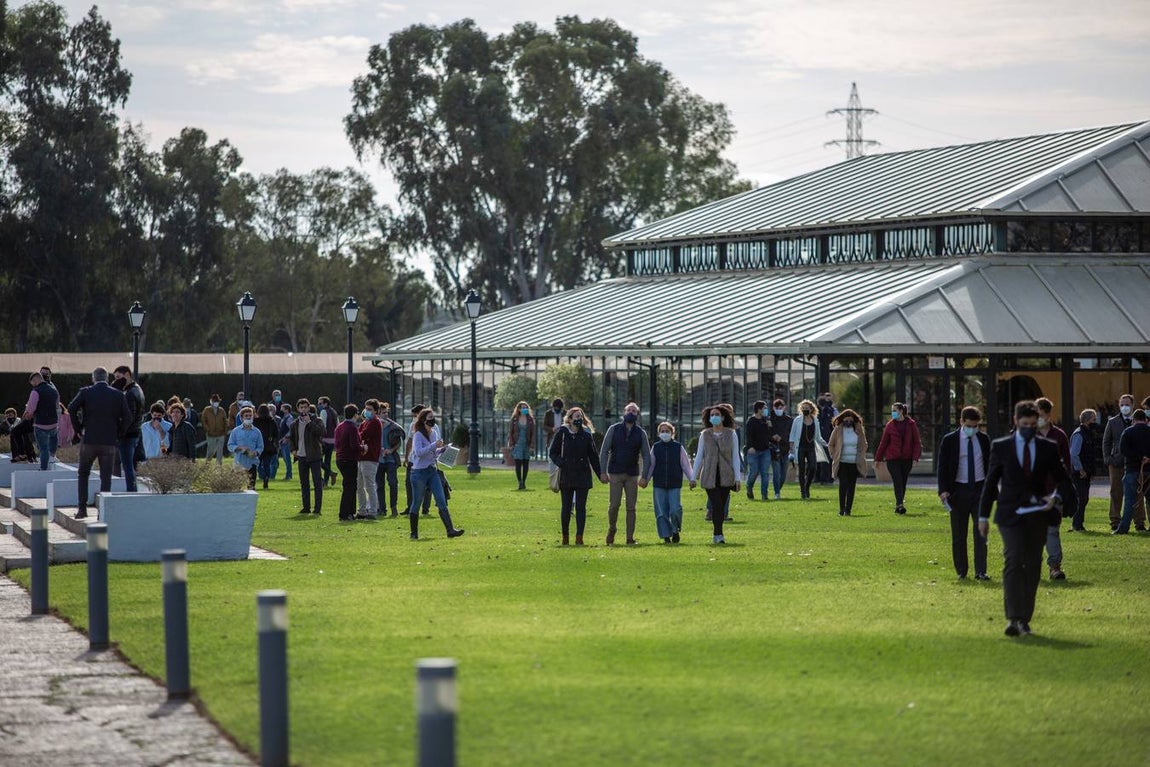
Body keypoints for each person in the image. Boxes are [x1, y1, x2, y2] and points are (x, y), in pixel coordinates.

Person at [979, 400, 1075, 637]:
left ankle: (1024, 619)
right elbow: (990, 482)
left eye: (1033, 424)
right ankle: (1013, 618)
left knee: (1032, 565)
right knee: (1013, 559)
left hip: (1037, 514)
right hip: (1010, 514)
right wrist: (983, 516)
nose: (1029, 428)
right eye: (1025, 424)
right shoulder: (1002, 447)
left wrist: (1056, 498)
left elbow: (1064, 479)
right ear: (1016, 421)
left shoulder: (1047, 447)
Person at [67, 368, 132, 519]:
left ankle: (82, 509)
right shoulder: (118, 395)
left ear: (93, 378)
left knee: (83, 474)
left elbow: (71, 408)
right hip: (109, 442)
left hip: (89, 439)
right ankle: (102, 512)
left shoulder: (86, 392)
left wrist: (78, 428)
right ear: (107, 378)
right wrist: (119, 433)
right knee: (106, 477)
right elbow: (128, 417)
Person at [936, 407, 991, 580]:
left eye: (975, 426)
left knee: (980, 532)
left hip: (979, 490)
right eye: (969, 426)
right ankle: (962, 571)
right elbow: (942, 467)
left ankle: (981, 571)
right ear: (961, 422)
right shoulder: (949, 440)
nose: (972, 429)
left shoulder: (984, 439)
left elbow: (990, 464)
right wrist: (943, 490)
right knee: (959, 534)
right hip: (958, 491)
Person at [598, 401, 653, 545]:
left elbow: (646, 455)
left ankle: (629, 537)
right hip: (615, 473)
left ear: (637, 415)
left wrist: (645, 477)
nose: (631, 413)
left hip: (632, 474)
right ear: (624, 412)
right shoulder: (613, 429)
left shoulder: (641, 433)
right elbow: (604, 451)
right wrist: (602, 472)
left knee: (631, 507)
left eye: (634, 411)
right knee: (614, 505)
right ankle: (612, 528)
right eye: (629, 410)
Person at [407, 408, 465, 540]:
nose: (432, 420)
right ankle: (413, 533)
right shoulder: (418, 435)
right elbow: (418, 452)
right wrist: (434, 445)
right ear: (423, 420)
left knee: (441, 500)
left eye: (433, 417)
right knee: (417, 502)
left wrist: (442, 449)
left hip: (432, 471)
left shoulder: (433, 433)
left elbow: (433, 453)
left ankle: (450, 530)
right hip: (419, 473)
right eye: (430, 418)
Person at [549, 407, 602, 545]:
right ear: (570, 419)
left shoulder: (586, 435)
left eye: (581, 416)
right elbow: (553, 452)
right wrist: (561, 463)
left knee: (581, 508)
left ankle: (579, 537)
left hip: (582, 475)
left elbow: (593, 457)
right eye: (576, 416)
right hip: (566, 475)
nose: (579, 418)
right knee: (566, 508)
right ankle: (565, 536)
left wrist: (600, 475)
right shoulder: (562, 433)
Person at [692, 403, 741, 544]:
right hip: (709, 475)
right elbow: (699, 456)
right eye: (712, 415)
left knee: (721, 505)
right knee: (716, 504)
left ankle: (718, 533)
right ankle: (718, 534)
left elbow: (735, 457)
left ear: (723, 417)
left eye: (717, 415)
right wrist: (693, 477)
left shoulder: (731, 434)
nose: (714, 417)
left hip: (726, 475)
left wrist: (737, 478)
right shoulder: (705, 435)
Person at [1035, 397, 1070, 580]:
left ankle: (1055, 567)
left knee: (1052, 529)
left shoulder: (1059, 436)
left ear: (1048, 415)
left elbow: (1066, 465)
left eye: (1040, 414)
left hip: (1053, 490)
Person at [1102, 394, 1143, 531]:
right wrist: (1108, 459)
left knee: (1138, 492)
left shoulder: (1140, 421)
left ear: (1133, 405)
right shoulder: (1112, 422)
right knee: (1116, 491)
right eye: (1122, 405)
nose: (1124, 407)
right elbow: (1106, 442)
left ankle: (1139, 522)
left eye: (1127, 404)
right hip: (1116, 462)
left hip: (1135, 463)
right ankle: (1115, 520)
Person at [650, 421, 694, 543]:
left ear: (672, 433)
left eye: (667, 431)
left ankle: (675, 530)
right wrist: (645, 479)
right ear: (659, 433)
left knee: (675, 509)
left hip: (674, 483)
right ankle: (665, 535)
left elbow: (685, 465)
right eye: (662, 431)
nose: (665, 433)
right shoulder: (656, 447)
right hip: (659, 483)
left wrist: (691, 478)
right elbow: (651, 465)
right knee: (661, 512)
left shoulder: (678, 447)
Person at [875, 402, 921, 514]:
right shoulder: (890, 425)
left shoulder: (911, 424)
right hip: (892, 458)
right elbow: (884, 443)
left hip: (907, 459)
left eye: (894, 410)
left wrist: (915, 458)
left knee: (903, 481)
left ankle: (899, 504)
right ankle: (900, 504)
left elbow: (917, 442)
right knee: (897, 480)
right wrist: (878, 458)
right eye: (892, 411)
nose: (893, 413)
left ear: (901, 411)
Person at [1114, 408, 1150, 535]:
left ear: (1133, 420)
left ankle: (1123, 528)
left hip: (1132, 470)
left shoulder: (1128, 432)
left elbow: (1123, 450)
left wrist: (1139, 458)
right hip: (1148, 471)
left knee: (1129, 500)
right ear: (1146, 420)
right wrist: (1147, 458)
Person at [828, 408, 869, 517]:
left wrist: (861, 455)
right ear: (842, 419)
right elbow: (831, 444)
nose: (848, 422)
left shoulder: (859, 429)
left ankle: (848, 510)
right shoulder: (838, 429)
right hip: (842, 462)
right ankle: (841, 509)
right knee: (843, 485)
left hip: (854, 463)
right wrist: (834, 455)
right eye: (846, 420)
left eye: (850, 420)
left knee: (851, 486)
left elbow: (864, 444)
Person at [111, 365, 145, 492]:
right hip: (134, 433)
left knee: (127, 466)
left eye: (118, 377)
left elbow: (129, 417)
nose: (117, 381)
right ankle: (132, 490)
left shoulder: (130, 393)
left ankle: (131, 492)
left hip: (128, 435)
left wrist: (120, 433)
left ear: (127, 375)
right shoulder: (137, 389)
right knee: (129, 465)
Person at [290, 399, 325, 515]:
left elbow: (321, 432)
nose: (303, 409)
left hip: (314, 456)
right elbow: (292, 438)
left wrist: (309, 422)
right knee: (304, 483)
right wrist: (293, 449)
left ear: (309, 408)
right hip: (301, 457)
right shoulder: (294, 424)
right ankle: (306, 507)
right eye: (301, 407)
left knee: (317, 483)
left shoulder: (317, 420)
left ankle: (317, 509)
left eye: (305, 407)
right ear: (298, 409)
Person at [788, 399, 828, 500]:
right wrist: (791, 448)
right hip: (800, 447)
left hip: (811, 447)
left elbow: (818, 436)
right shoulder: (797, 420)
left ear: (811, 409)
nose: (805, 410)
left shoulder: (815, 420)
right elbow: (792, 434)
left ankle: (807, 486)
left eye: (807, 408)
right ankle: (803, 492)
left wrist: (826, 444)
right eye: (803, 408)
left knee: (813, 467)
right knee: (801, 469)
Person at [22, 371, 59, 470]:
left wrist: (27, 415)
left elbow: (31, 408)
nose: (32, 385)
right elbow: (56, 405)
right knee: (53, 441)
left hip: (40, 424)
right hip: (53, 423)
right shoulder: (53, 390)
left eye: (32, 383)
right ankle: (53, 457)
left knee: (43, 448)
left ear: (34, 380)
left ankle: (43, 469)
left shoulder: (36, 391)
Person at [1068, 409, 1096, 532]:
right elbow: (1074, 454)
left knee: (1084, 498)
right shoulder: (1079, 434)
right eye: (1094, 419)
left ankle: (1078, 524)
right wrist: (1081, 469)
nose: (1095, 422)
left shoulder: (1087, 433)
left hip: (1085, 471)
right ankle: (1077, 525)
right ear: (1088, 420)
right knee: (1081, 498)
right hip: (1079, 472)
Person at [403, 404, 434, 516]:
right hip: (419, 461)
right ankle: (417, 508)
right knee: (415, 485)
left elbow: (410, 442)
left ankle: (419, 508)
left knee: (420, 486)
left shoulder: (433, 429)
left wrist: (406, 456)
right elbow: (411, 444)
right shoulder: (415, 426)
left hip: (423, 462)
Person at [334, 404, 363, 520]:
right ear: (355, 414)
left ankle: (350, 512)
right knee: (350, 487)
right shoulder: (352, 427)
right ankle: (345, 513)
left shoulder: (340, 426)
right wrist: (363, 448)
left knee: (349, 485)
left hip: (340, 458)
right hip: (349, 459)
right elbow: (354, 445)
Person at [357, 398, 383, 519]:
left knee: (369, 486)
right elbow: (359, 434)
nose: (367, 411)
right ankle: (362, 510)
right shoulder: (365, 422)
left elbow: (362, 435)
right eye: (366, 408)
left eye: (370, 409)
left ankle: (372, 511)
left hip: (370, 458)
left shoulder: (375, 422)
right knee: (359, 486)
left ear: (376, 411)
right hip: (362, 457)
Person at [227, 406, 264, 490]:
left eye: (250, 415)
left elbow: (260, 446)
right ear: (241, 418)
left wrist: (256, 452)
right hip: (239, 462)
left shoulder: (257, 432)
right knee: (237, 488)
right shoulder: (235, 431)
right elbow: (230, 445)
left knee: (251, 488)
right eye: (246, 416)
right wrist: (239, 448)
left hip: (252, 463)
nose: (248, 417)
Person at [377, 402, 403, 517]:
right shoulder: (374, 426)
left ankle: (393, 507)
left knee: (393, 483)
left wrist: (391, 450)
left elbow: (399, 443)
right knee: (379, 485)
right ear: (378, 413)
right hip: (378, 460)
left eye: (387, 412)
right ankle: (382, 509)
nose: (386, 415)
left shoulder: (393, 427)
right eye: (383, 413)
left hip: (390, 459)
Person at [744, 400, 774, 501]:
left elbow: (769, 436)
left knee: (765, 473)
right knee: (754, 472)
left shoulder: (765, 420)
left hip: (765, 450)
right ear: (759, 409)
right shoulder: (751, 421)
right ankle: (749, 487)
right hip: (754, 451)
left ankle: (764, 495)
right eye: (764, 408)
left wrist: (770, 427)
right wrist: (750, 447)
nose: (766, 410)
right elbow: (748, 436)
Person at [508, 400, 536, 490]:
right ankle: (519, 482)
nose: (525, 409)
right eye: (523, 408)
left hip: (527, 444)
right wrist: (511, 443)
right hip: (517, 444)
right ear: (519, 409)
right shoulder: (514, 419)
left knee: (526, 463)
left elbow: (533, 433)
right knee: (518, 463)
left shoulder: (530, 420)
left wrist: (532, 445)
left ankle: (524, 481)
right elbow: (510, 432)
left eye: (526, 407)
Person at [768, 398, 793, 500]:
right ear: (773, 408)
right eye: (777, 408)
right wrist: (773, 436)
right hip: (774, 450)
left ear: (784, 408)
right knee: (776, 472)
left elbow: (790, 433)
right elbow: (767, 432)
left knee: (783, 475)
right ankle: (777, 493)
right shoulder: (769, 419)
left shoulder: (788, 420)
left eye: (780, 408)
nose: (779, 409)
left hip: (785, 449)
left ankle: (778, 489)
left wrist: (782, 438)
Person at [252, 404, 279, 489]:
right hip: (269, 445)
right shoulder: (272, 421)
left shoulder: (255, 421)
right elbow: (276, 434)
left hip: (258, 446)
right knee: (267, 464)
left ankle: (262, 475)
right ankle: (266, 478)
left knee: (257, 464)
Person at [316, 396, 338, 487]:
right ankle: (326, 481)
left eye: (320, 403)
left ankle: (330, 473)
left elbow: (323, 426)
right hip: (332, 440)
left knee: (317, 459)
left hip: (324, 439)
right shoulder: (333, 411)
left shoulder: (323, 412)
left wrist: (319, 437)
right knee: (327, 460)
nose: (319, 405)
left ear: (325, 403)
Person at [816, 393, 837, 485]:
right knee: (820, 459)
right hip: (819, 437)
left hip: (828, 437)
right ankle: (819, 478)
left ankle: (827, 478)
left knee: (827, 458)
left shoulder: (831, 410)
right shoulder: (817, 411)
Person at [202, 394, 229, 465]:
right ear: (211, 402)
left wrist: (225, 431)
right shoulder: (207, 410)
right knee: (210, 451)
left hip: (221, 434)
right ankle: (207, 463)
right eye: (215, 401)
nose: (216, 402)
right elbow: (203, 420)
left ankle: (219, 466)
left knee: (220, 451)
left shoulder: (222, 410)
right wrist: (207, 429)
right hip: (210, 434)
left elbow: (225, 421)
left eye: (217, 401)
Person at [277, 403, 295, 481]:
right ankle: (288, 474)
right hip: (282, 440)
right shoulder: (285, 417)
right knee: (285, 458)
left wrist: (286, 437)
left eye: (283, 408)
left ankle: (289, 475)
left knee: (287, 458)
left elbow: (291, 429)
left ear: (287, 410)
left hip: (286, 441)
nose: (281, 410)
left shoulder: (289, 418)